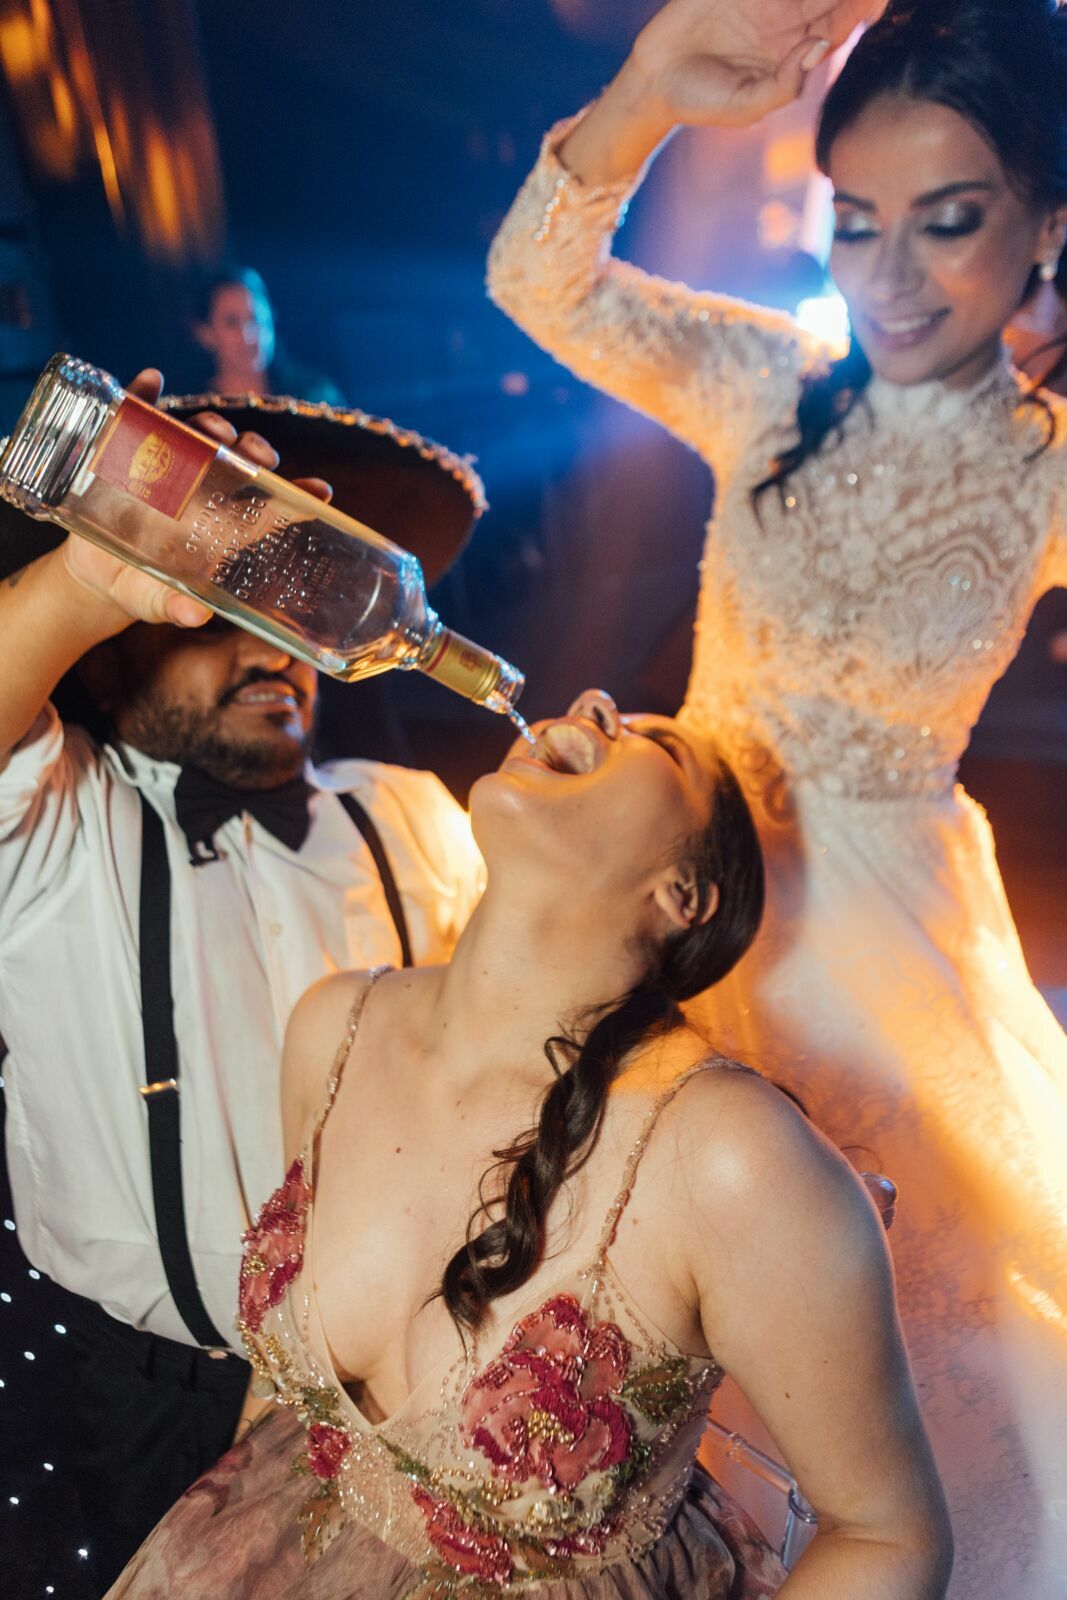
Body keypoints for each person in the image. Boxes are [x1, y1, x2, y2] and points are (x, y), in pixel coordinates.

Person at [485, 1, 1067, 1595]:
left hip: (882, 952)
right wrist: (648, 89)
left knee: (906, 1339)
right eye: (854, 220)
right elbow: (537, 281)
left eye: (945, 220)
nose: (887, 272)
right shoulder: (766, 383)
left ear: (1043, 227)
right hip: (668, 887)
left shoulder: (1044, 470)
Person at [104, 687, 951, 1599]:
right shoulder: (333, 1028)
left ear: (682, 895)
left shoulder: (727, 1155)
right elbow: (280, 1407)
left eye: (657, 746)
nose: (592, 701)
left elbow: (889, 1536)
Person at [0, 373, 484, 1589]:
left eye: (282, 607)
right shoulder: (57, 816)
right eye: (216, 611)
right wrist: (81, 581)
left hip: (410, 1406)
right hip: (139, 1410)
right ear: (107, 654)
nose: (271, 645)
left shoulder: (410, 817)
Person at [189, 263, 345, 403]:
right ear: (205, 333)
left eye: (256, 319)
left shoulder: (315, 397)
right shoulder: (192, 408)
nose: (249, 336)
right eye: (232, 322)